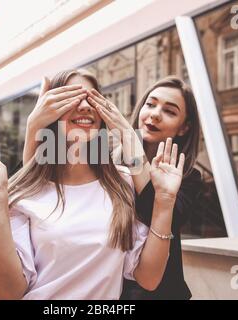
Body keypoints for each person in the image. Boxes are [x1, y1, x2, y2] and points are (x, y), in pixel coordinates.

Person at [0, 69, 186, 299]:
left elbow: (149, 278)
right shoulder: (23, 191)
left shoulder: (124, 184)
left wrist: (164, 201)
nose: (85, 106)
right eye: (72, 97)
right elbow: (8, 293)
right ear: (49, 112)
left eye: (92, 99)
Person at [84, 76, 202, 300]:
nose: (155, 114)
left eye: (170, 111)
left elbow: (159, 217)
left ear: (184, 127)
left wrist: (130, 142)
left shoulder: (189, 177)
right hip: (104, 289)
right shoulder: (108, 163)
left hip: (159, 293)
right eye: (151, 104)